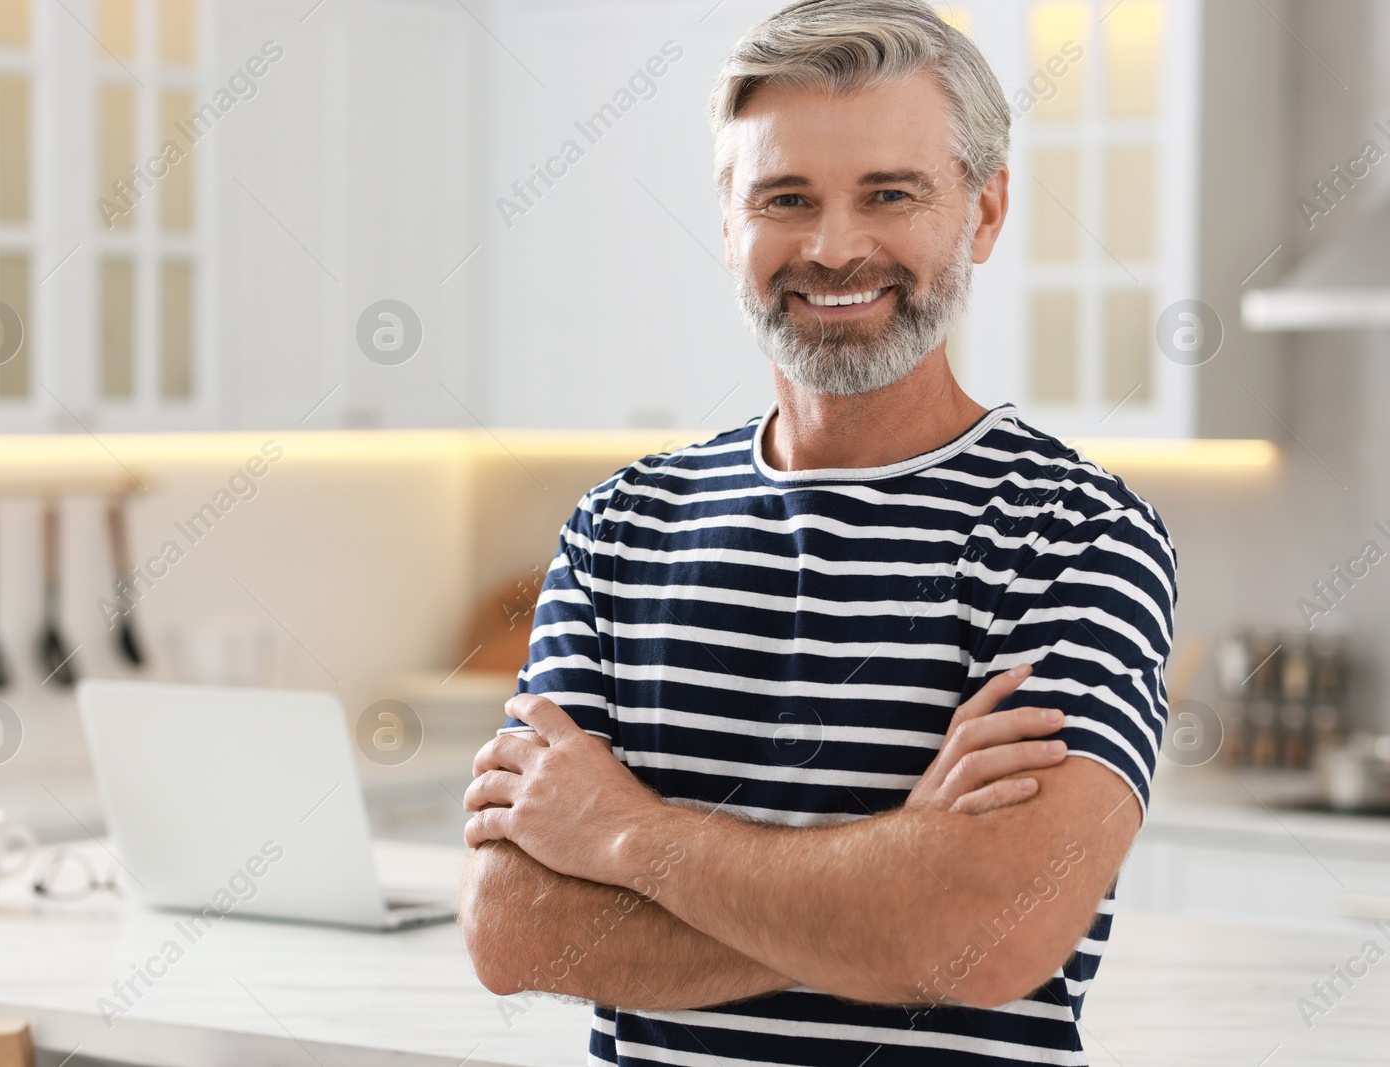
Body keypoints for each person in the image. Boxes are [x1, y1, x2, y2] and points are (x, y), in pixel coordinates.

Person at [460, 1, 1177, 1062]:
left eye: (890, 194)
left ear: (983, 211)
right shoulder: (621, 527)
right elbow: (517, 930)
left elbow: (986, 935)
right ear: (726, 222)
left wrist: (624, 833)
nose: (833, 247)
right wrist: (894, 884)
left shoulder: (1072, 534)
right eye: (784, 199)